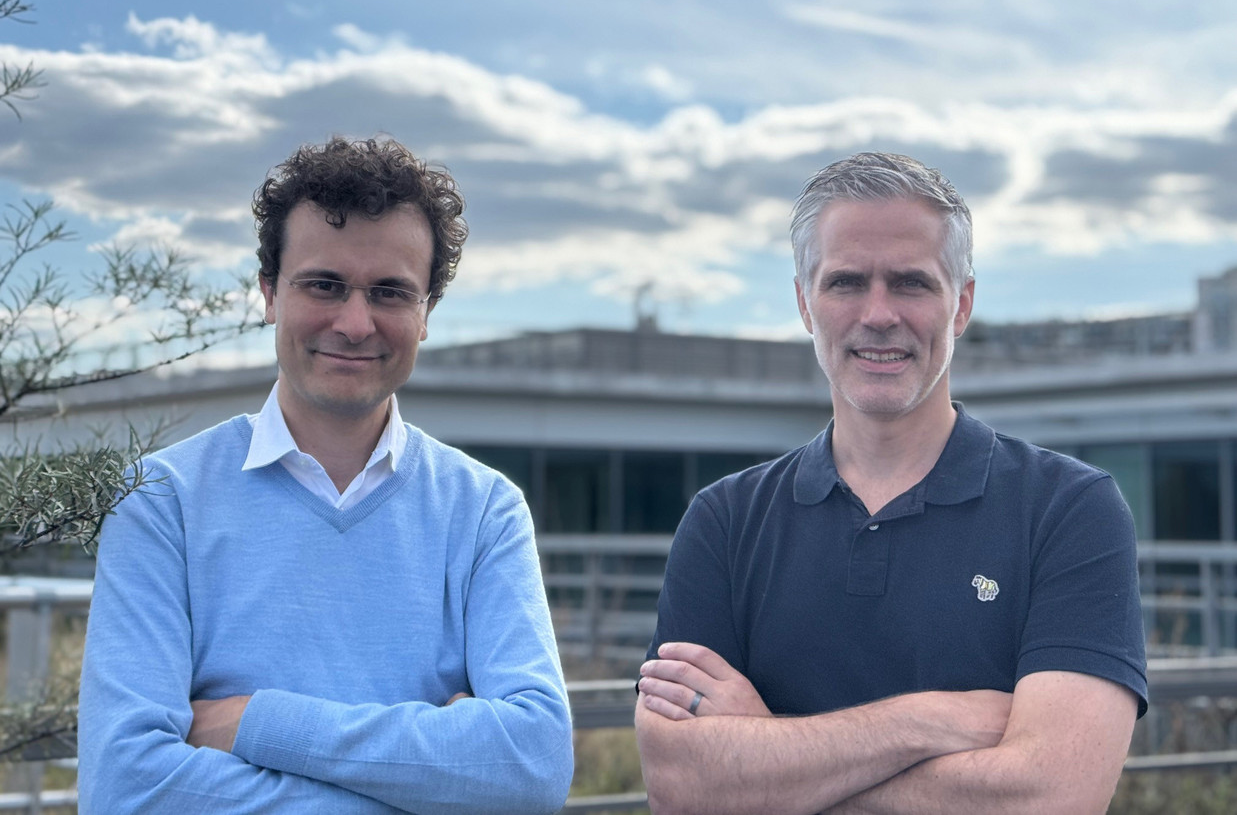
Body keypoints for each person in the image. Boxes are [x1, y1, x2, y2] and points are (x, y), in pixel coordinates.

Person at [635, 152, 1146, 814]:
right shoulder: (725, 520)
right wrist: (930, 722)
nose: (877, 314)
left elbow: (1051, 796)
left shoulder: (1067, 509)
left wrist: (766, 756)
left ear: (960, 303)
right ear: (803, 302)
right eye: (846, 282)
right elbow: (678, 786)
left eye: (910, 283)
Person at [78, 137, 574, 814]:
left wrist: (253, 722)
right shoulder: (160, 500)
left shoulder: (483, 509)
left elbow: (533, 764)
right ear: (268, 293)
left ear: (426, 312)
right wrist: (439, 773)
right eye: (324, 285)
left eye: (390, 292)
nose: (354, 322)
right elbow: (127, 789)